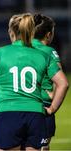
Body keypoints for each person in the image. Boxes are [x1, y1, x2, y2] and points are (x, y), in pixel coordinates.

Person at [0, 13, 68, 150]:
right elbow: (63, 83)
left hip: (8, 113)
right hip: (36, 114)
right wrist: (52, 109)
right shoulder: (44, 54)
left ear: (10, 32)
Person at [32, 13, 62, 150]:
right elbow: (60, 81)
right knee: (43, 147)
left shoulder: (20, 48)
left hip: (17, 106)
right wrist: (53, 98)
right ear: (49, 34)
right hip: (42, 107)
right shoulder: (49, 52)